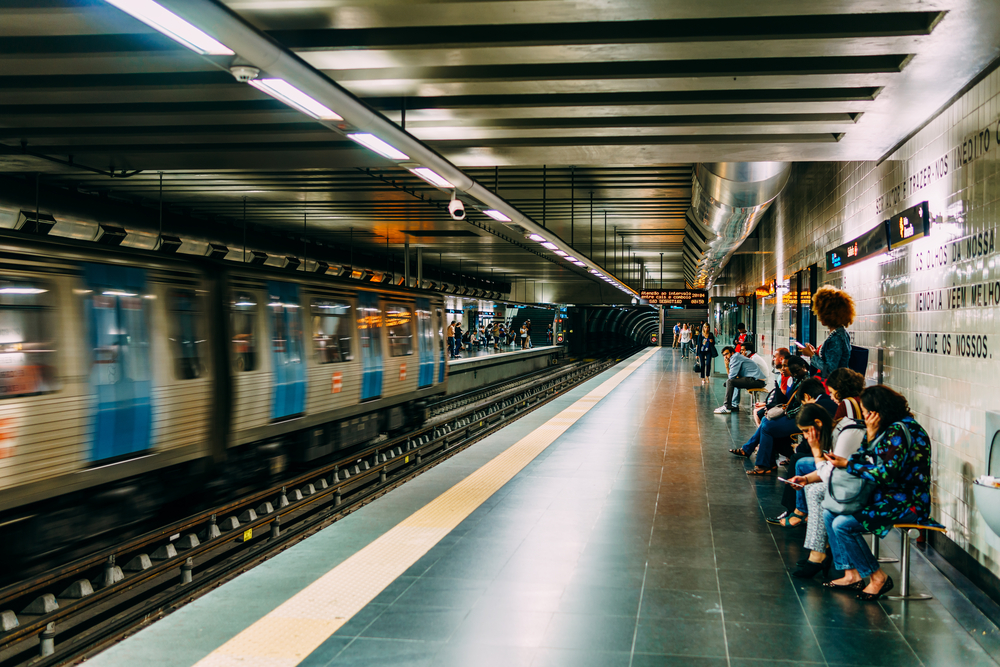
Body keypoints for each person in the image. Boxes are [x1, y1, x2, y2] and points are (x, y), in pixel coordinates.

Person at [789, 385, 939, 600]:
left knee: (843, 524)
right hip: (886, 498)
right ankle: (851, 573)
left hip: (906, 503)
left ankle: (877, 577)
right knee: (829, 512)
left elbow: (885, 473)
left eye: (868, 411)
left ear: (880, 411)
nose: (866, 416)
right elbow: (867, 458)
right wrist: (868, 436)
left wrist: (848, 464)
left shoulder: (900, 431)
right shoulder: (890, 429)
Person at [787, 375, 867, 577]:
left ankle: (818, 554)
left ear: (817, 424)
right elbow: (830, 472)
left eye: (807, 432)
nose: (806, 437)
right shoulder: (836, 431)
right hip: (850, 482)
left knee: (816, 492)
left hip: (860, 487)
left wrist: (815, 451)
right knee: (812, 488)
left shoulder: (844, 433)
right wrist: (805, 479)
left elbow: (830, 475)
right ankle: (818, 552)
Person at [728, 355, 810, 471]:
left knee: (767, 426)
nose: (793, 373)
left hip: (800, 418)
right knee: (766, 421)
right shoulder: (796, 379)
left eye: (794, 370)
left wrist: (786, 414)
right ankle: (762, 459)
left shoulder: (807, 381)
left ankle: (763, 463)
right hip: (793, 414)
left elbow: (803, 407)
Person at [798, 285, 855, 379]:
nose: (819, 317)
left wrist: (811, 355)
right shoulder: (841, 333)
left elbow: (830, 370)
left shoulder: (836, 337)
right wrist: (815, 353)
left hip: (834, 385)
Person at [714, 344, 766, 414]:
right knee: (733, 381)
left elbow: (731, 377)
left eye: (727, 354)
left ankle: (727, 406)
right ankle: (734, 405)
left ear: (732, 353)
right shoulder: (737, 357)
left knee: (730, 382)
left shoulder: (735, 358)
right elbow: (733, 377)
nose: (725, 357)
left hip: (757, 380)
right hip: (756, 380)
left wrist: (726, 366)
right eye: (723, 355)